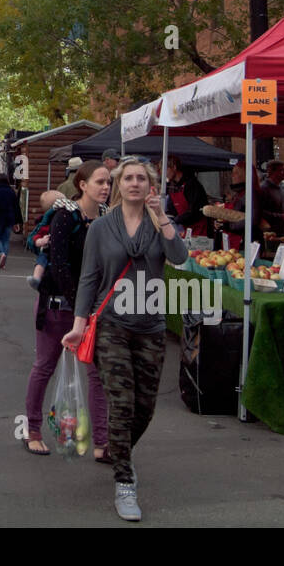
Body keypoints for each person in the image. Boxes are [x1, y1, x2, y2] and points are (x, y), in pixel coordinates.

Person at [64, 160, 188, 522]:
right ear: (119, 185)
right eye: (129, 178)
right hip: (112, 326)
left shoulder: (157, 222)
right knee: (121, 403)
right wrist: (78, 324)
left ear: (151, 185)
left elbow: (180, 258)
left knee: (145, 408)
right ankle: (124, 481)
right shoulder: (102, 227)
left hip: (150, 325)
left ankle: (121, 452)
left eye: (142, 178)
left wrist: (162, 216)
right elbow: (89, 278)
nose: (135, 183)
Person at [23, 167, 111, 459]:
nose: (106, 187)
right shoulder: (66, 216)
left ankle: (101, 442)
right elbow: (59, 265)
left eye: (109, 182)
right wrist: (80, 309)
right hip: (59, 305)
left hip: (93, 310)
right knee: (45, 365)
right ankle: (32, 430)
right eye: (100, 182)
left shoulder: (108, 218)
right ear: (83, 185)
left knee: (97, 374)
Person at [165, 156, 210, 237]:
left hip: (200, 230)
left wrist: (177, 220)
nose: (163, 173)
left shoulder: (191, 184)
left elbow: (195, 211)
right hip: (187, 230)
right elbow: (172, 211)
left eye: (165, 169)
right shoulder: (172, 187)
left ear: (174, 167)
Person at [0, 172, 21, 270]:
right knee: (6, 240)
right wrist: (17, 221)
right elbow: (16, 207)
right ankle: (4, 262)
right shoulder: (11, 192)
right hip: (9, 218)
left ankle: (1, 253)